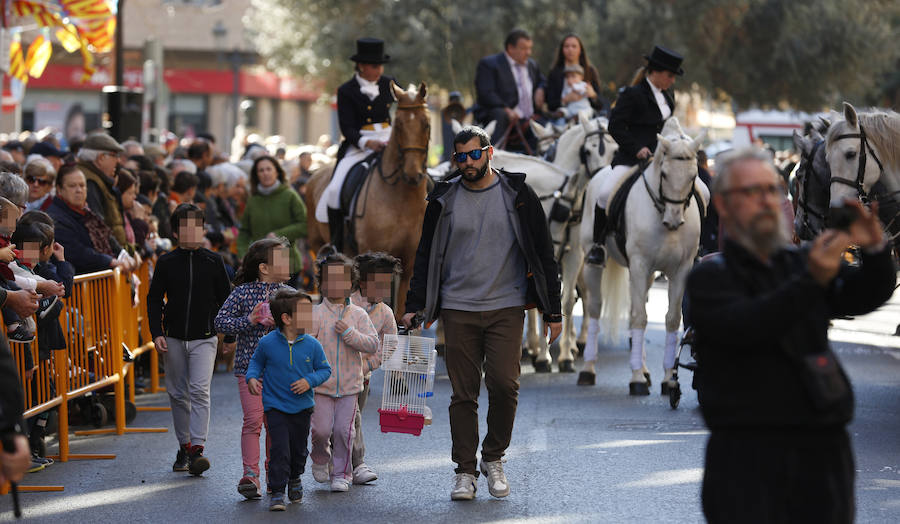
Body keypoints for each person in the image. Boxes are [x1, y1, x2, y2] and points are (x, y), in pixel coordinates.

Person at [687, 148, 896, 524]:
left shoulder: (799, 264)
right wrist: (811, 280)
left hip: (824, 462)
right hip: (749, 464)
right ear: (723, 203)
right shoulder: (711, 279)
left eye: (772, 189)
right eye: (752, 192)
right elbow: (750, 324)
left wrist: (876, 249)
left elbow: (865, 293)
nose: (767, 201)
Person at [401, 126, 562, 500]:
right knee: (463, 394)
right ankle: (465, 471)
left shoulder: (517, 194)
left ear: (489, 153)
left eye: (475, 155)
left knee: (505, 385)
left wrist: (553, 312)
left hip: (506, 306)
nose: (468, 163)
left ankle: (494, 457)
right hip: (458, 309)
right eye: (460, 157)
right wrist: (414, 306)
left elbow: (543, 254)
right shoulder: (443, 199)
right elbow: (425, 255)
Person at [147, 203, 232, 476]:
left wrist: (229, 335)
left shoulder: (214, 261)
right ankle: (183, 445)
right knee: (177, 393)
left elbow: (226, 300)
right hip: (172, 337)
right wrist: (156, 332)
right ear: (174, 231)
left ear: (204, 229)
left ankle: (197, 449)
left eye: (197, 226)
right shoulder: (166, 262)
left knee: (199, 390)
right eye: (185, 227)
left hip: (205, 337)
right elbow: (154, 299)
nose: (192, 231)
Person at [586, 45, 684, 266]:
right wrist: (637, 147)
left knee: (699, 191)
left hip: (661, 160)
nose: (672, 81)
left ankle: (689, 246)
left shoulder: (668, 96)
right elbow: (616, 126)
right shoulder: (632, 94)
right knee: (604, 194)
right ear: (656, 72)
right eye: (670, 75)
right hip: (632, 158)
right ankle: (598, 246)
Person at [214, 238, 293, 499]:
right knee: (253, 420)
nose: (289, 262)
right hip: (248, 368)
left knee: (275, 423)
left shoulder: (288, 295)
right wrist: (250, 319)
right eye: (281, 258)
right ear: (264, 267)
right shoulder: (241, 293)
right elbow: (221, 322)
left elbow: (304, 329)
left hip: (281, 370)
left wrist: (283, 323)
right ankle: (251, 475)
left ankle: (275, 476)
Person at [246, 289, 331, 511]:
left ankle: (295, 477)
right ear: (287, 318)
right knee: (279, 449)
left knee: (299, 450)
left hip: (302, 407)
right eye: (305, 312)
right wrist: (252, 378)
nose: (310, 317)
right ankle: (277, 491)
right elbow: (256, 363)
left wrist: (309, 381)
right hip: (275, 406)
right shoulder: (267, 343)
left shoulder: (312, 344)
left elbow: (324, 370)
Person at [315, 38, 396, 252]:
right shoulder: (346, 90)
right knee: (334, 189)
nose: (379, 70)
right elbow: (347, 127)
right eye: (374, 66)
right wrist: (367, 142)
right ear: (361, 66)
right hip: (359, 144)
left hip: (389, 140)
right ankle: (337, 243)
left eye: (380, 65)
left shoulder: (390, 84)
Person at [309, 249, 378, 493]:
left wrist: (350, 334)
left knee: (344, 432)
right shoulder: (315, 314)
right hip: (321, 386)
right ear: (322, 284)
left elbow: (372, 344)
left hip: (350, 387)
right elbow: (305, 347)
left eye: (342, 279)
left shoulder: (358, 314)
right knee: (320, 430)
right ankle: (319, 457)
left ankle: (341, 473)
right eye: (331, 279)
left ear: (351, 284)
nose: (336, 285)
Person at [346, 251, 399, 484]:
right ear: (362, 282)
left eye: (387, 286)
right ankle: (357, 463)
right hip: (337, 376)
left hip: (363, 377)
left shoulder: (385, 313)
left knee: (351, 419)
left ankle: (342, 464)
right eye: (378, 284)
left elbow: (390, 345)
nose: (383, 290)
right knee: (350, 418)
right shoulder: (345, 303)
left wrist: (368, 364)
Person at [238, 155, 307, 284]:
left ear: (277, 171)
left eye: (269, 169)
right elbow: (244, 231)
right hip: (260, 268)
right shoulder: (253, 200)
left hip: (288, 265)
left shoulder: (290, 195)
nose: (265, 173)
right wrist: (242, 255)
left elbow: (304, 225)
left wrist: (278, 235)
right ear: (256, 175)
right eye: (261, 170)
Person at [45, 165, 127, 275]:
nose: (78, 190)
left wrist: (124, 255)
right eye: (72, 186)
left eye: (82, 185)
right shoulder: (54, 217)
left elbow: (108, 238)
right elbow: (76, 252)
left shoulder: (88, 214)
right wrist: (109, 261)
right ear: (59, 189)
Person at [473, 29, 545, 147]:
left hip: (530, 119)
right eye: (524, 48)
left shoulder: (532, 65)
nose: (528, 52)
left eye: (530, 48)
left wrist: (540, 89)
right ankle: (493, 156)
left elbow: (542, 81)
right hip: (504, 118)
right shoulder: (489, 64)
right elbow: (486, 93)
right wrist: (505, 108)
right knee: (500, 115)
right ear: (511, 48)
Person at [77, 133, 128, 248]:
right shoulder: (90, 182)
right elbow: (99, 226)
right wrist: (120, 254)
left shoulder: (96, 179)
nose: (118, 161)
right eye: (114, 155)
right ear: (100, 158)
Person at [545, 33, 603, 116]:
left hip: (586, 117)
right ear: (562, 49)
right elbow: (550, 104)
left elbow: (600, 104)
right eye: (567, 46)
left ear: (580, 50)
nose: (570, 49)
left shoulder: (590, 71)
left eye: (574, 46)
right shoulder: (555, 73)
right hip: (563, 117)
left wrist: (593, 95)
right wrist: (565, 100)